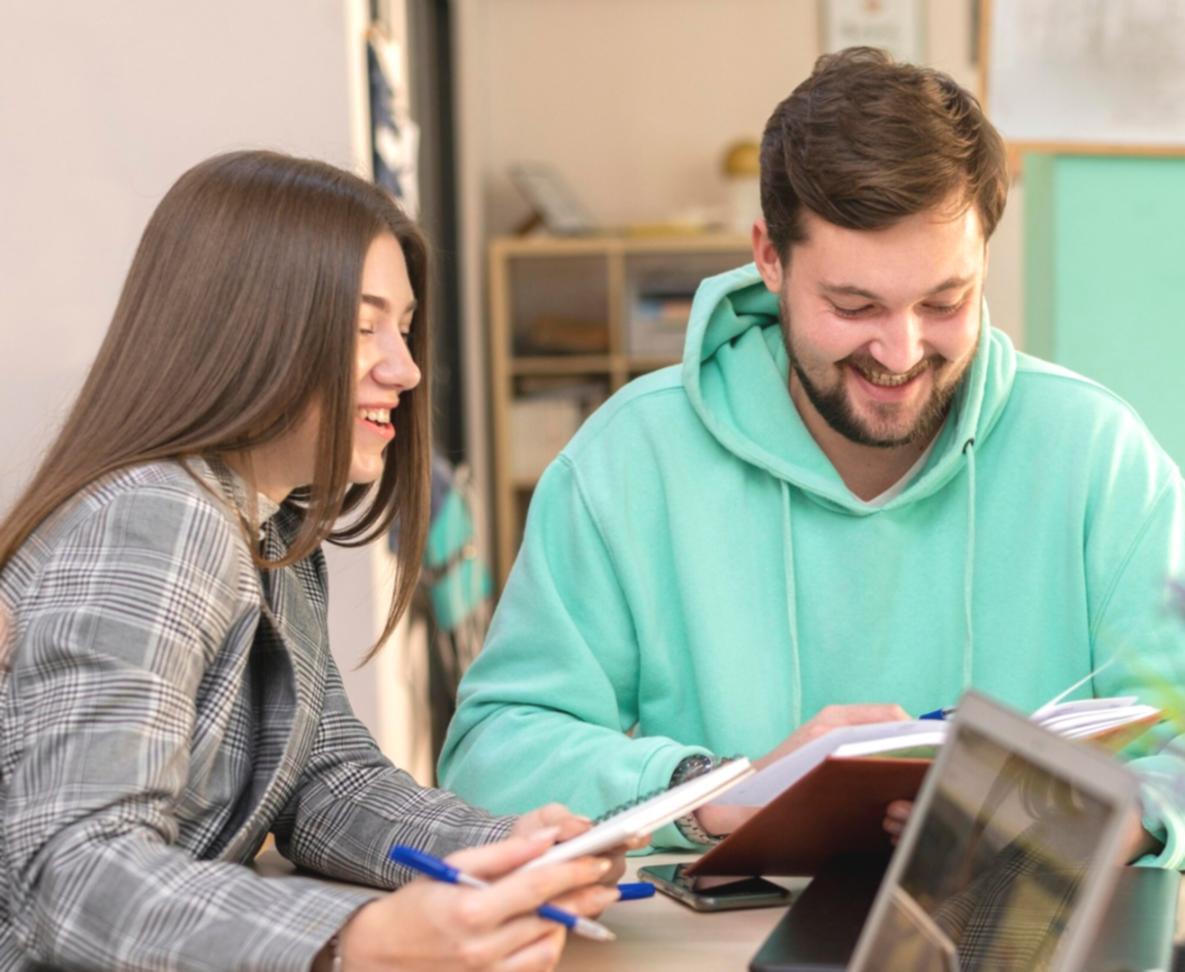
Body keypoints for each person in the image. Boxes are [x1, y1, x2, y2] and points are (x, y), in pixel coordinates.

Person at [439, 47, 1185, 863]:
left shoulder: (1097, 456)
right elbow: (490, 755)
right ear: (768, 257)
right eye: (853, 304)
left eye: (945, 302)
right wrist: (718, 790)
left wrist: (1095, 824)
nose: (900, 352)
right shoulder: (628, 459)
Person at [0, 151, 632, 972]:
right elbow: (76, 873)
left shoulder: (271, 530)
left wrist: (506, 846)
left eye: (401, 328)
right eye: (362, 326)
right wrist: (356, 942)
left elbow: (320, 780)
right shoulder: (156, 516)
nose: (403, 370)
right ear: (246, 330)